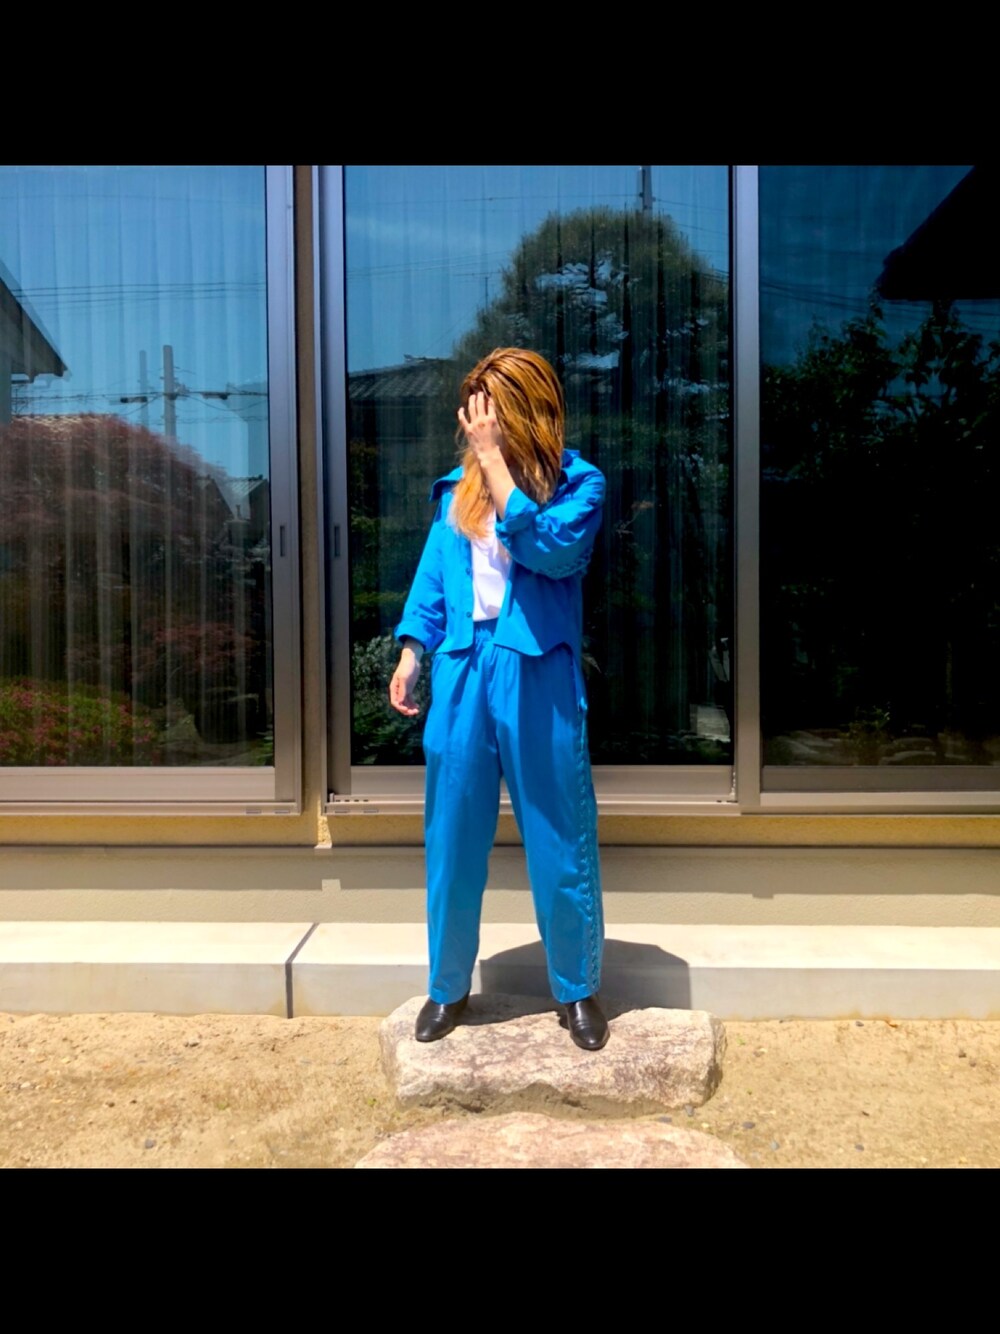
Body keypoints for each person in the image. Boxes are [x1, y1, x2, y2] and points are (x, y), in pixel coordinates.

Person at [389, 347, 608, 1051]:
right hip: (462, 666)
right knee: (452, 835)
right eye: (474, 414)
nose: (478, 426)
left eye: (491, 413)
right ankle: (447, 986)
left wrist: (494, 464)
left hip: (537, 667)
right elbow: (434, 576)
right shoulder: (457, 490)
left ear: (525, 410)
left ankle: (576, 988)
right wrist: (413, 651)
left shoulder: (579, 484)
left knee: (558, 833)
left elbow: (552, 551)